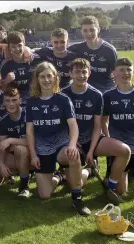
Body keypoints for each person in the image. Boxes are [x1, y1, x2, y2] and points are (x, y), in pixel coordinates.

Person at [25, 61, 91, 215]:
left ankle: (77, 198)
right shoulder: (31, 102)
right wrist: (33, 154)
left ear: (55, 78)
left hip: (62, 145)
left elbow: (73, 126)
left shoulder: (63, 100)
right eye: (42, 77)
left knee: (72, 156)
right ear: (37, 79)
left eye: (49, 76)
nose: (46, 80)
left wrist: (72, 145)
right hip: (43, 149)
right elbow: (30, 132)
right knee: (45, 195)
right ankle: (59, 177)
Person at [62, 58, 130, 205]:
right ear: (70, 74)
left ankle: (110, 185)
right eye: (77, 72)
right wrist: (72, 143)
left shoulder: (96, 95)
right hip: (72, 142)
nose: (81, 75)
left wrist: (92, 151)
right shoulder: (63, 94)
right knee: (75, 183)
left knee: (124, 151)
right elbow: (62, 125)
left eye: (84, 72)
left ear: (89, 73)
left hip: (92, 139)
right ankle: (89, 171)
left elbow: (97, 126)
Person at [103, 57, 134, 197]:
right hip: (119, 148)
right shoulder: (108, 96)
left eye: (129, 70)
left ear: (133, 72)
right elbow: (104, 121)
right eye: (121, 70)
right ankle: (118, 175)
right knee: (121, 192)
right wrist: (109, 140)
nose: (125, 73)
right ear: (114, 73)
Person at [0, 87, 32, 198]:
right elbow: (0, 147)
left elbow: (33, 141)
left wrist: (11, 140)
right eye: (8, 101)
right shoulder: (3, 121)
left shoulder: (28, 115)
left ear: (20, 100)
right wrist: (1, 164)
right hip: (17, 156)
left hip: (34, 156)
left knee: (20, 148)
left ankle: (24, 186)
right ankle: (23, 173)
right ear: (4, 102)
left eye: (14, 100)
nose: (11, 104)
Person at [67, 16, 118, 94]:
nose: (89, 33)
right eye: (85, 30)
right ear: (81, 31)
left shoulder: (109, 50)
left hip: (104, 89)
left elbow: (117, 75)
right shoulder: (77, 48)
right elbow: (59, 52)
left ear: (98, 30)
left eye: (92, 30)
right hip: (85, 88)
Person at [0, 31, 42, 106]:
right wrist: (6, 81)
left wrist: (30, 50)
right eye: (13, 46)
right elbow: (1, 90)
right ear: (9, 47)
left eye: (19, 45)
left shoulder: (34, 59)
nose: (17, 49)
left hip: (34, 100)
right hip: (14, 102)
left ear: (24, 44)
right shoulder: (5, 64)